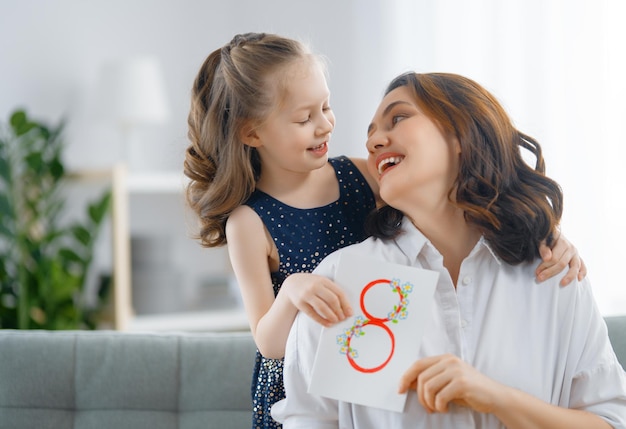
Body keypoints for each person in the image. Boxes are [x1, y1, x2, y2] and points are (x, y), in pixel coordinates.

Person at [184, 33, 587, 429]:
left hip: (379, 330)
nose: (325, 125)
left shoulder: (360, 175)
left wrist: (543, 230)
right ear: (252, 133)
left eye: (327, 107)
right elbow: (269, 343)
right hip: (302, 372)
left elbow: (445, 201)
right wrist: (291, 292)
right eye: (305, 118)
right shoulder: (249, 222)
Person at [271, 72, 626, 428]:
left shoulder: (551, 275)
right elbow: (310, 421)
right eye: (371, 132)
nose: (375, 141)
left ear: (461, 134)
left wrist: (496, 398)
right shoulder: (342, 281)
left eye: (398, 118)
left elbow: (609, 420)